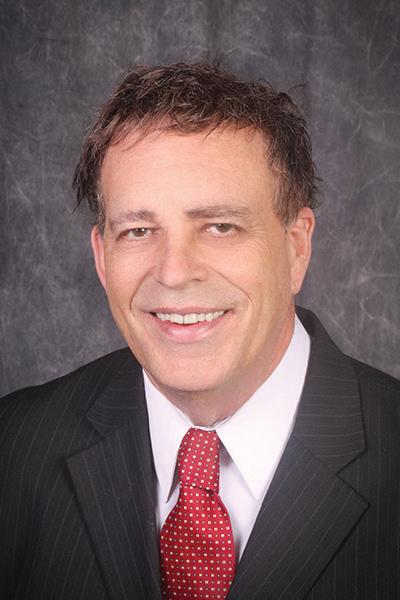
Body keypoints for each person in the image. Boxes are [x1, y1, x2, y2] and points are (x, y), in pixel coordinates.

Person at [0, 63, 399, 600]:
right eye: (138, 230)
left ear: (296, 248)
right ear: (101, 256)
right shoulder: (14, 447)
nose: (174, 272)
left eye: (219, 226)